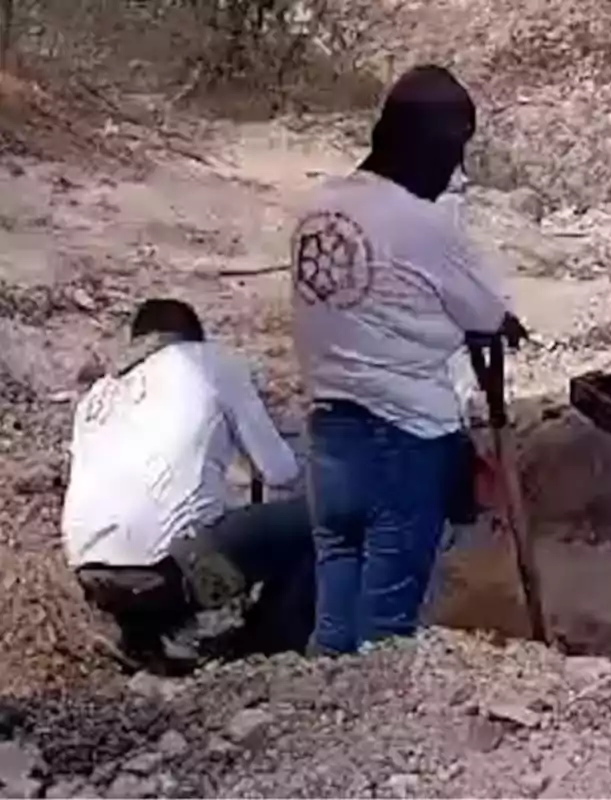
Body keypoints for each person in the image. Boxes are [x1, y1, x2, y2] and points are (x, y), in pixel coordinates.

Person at [291, 64, 526, 656]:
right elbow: (487, 316)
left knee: (335, 621)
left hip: (328, 437)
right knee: (386, 636)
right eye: (455, 154)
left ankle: (320, 727)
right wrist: (503, 323)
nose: (455, 172)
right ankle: (373, 739)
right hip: (403, 438)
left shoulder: (315, 209)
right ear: (433, 147)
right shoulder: (422, 224)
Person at [61, 298, 314, 674]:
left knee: (162, 535)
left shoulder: (97, 395)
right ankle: (268, 645)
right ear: (194, 338)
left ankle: (144, 641)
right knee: (323, 520)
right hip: (175, 578)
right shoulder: (210, 364)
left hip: (95, 580)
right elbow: (280, 471)